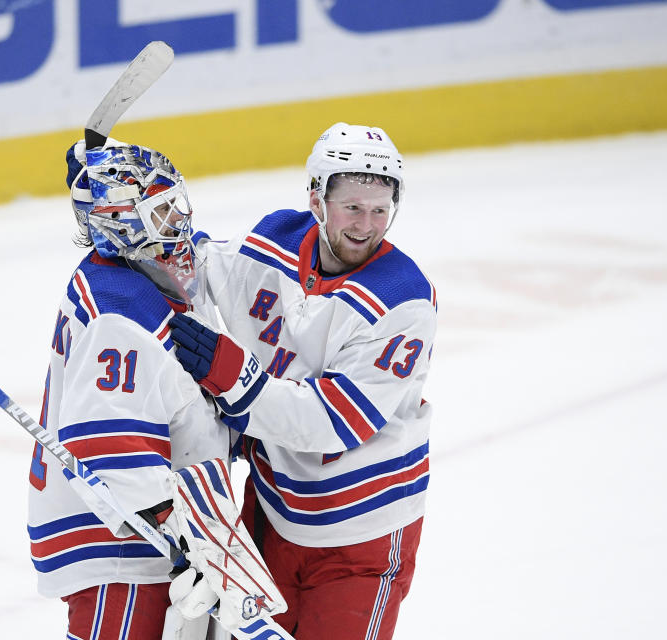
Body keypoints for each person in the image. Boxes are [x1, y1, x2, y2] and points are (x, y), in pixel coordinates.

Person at [168, 122, 437, 640]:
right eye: (352, 208)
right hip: (272, 513)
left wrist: (232, 379)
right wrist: (124, 213)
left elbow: (331, 421)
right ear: (316, 198)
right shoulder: (277, 241)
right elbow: (195, 266)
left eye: (380, 210)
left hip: (361, 536)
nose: (367, 225)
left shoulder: (403, 300)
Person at [30, 139, 227, 639]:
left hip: (143, 548)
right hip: (121, 551)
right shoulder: (119, 311)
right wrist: (185, 538)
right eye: (160, 210)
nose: (178, 219)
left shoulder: (132, 273)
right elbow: (109, 445)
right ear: (123, 223)